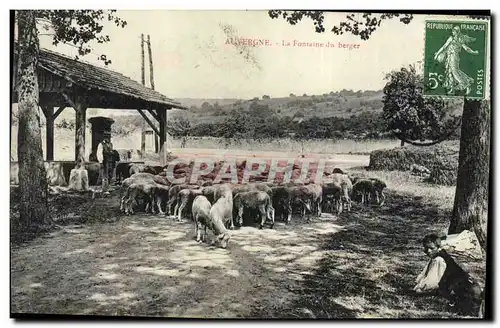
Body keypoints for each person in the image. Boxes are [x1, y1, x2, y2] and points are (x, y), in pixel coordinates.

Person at [414, 232, 483, 316]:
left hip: (467, 291)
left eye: (431, 248)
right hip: (468, 287)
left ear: (438, 247)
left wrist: (420, 288)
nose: (428, 251)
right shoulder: (439, 256)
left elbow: (432, 282)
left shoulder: (439, 259)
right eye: (426, 248)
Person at [433, 25, 479, 95]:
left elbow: (466, 48)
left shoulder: (460, 39)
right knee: (450, 72)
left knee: (454, 72)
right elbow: (444, 47)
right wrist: (437, 54)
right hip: (449, 57)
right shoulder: (451, 38)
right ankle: (452, 89)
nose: (454, 32)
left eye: (456, 31)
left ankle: (465, 84)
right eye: (454, 31)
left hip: (454, 57)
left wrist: (474, 52)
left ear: (458, 32)